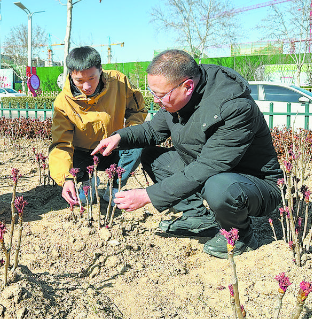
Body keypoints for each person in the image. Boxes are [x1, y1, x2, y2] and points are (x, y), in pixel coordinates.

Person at [92, 49, 283, 258]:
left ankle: (240, 236)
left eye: (160, 95)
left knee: (219, 186)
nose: (155, 100)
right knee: (153, 156)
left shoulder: (234, 108)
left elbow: (206, 168)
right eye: (152, 92)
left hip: (253, 184)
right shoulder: (176, 98)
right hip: (213, 172)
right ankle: (199, 216)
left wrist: (147, 196)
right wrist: (119, 137)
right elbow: (152, 130)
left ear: (188, 86)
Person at [49, 46, 147, 206]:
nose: (86, 86)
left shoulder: (119, 82)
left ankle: (114, 186)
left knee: (138, 141)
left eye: (92, 78)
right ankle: (87, 182)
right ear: (70, 75)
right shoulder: (63, 102)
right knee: (62, 159)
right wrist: (66, 178)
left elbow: (137, 110)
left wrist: (123, 135)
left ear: (100, 70)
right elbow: (61, 144)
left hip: (114, 150)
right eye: (79, 81)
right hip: (82, 155)